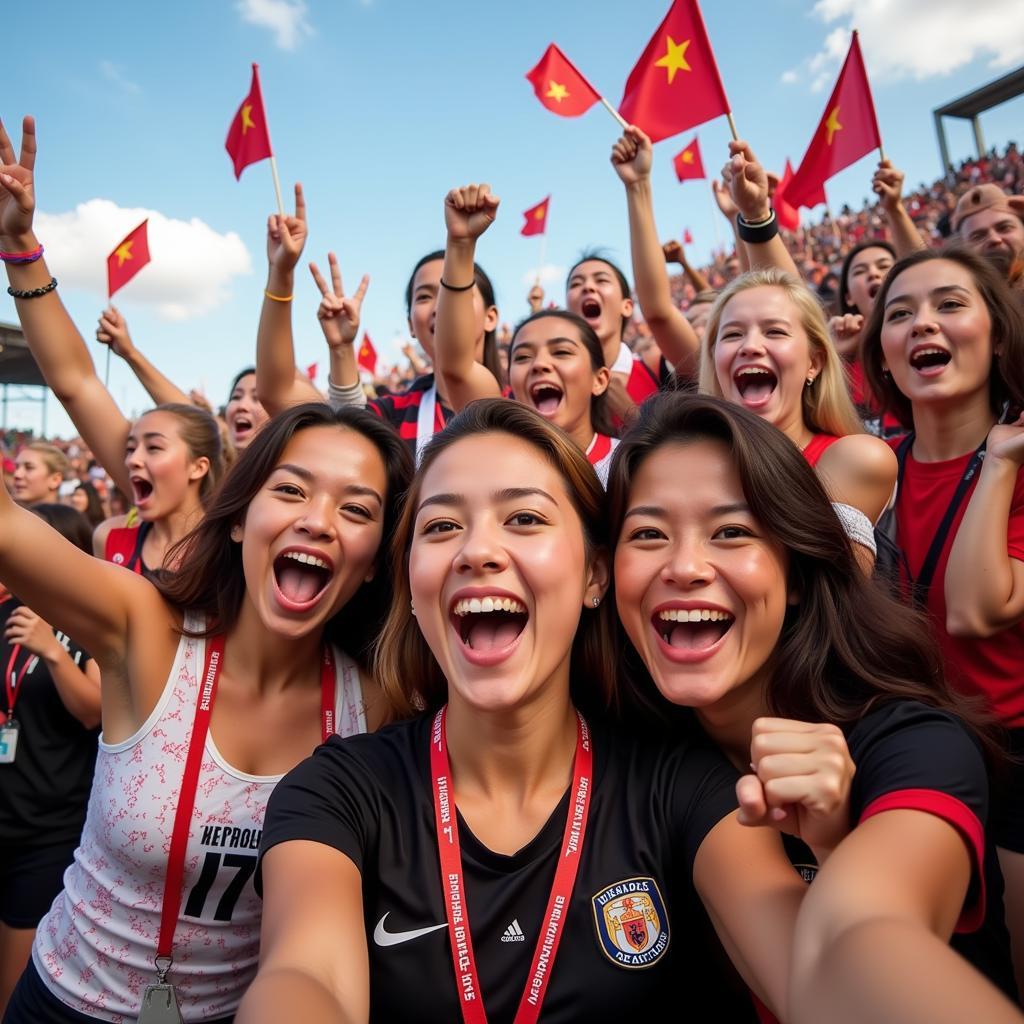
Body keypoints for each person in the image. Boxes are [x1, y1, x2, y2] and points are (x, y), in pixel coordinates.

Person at [243, 399, 822, 1023]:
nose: (477, 552)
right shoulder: (336, 791)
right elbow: (304, 975)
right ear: (410, 584)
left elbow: (818, 982)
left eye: (523, 518)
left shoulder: (683, 784)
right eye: (440, 528)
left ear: (596, 573)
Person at [609, 391, 1021, 1019]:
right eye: (647, 533)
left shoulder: (913, 741)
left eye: (731, 532)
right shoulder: (623, 753)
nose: (685, 565)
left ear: (797, 574)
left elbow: (865, 930)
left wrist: (834, 851)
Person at [0, 399, 412, 1023]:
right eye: (291, 490)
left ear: (378, 558)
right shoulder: (145, 628)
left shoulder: (379, 702)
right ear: (241, 517)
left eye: (356, 510)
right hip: (61, 1004)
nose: (318, 521)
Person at [861, 245, 1024, 998]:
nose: (923, 322)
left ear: (998, 336)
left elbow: (975, 607)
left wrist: (999, 463)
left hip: (1014, 763)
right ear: (883, 359)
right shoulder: (868, 468)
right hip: (907, 760)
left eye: (950, 304)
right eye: (899, 313)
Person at [0, 115, 224, 576]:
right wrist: (18, 242)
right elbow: (75, 384)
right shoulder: (113, 540)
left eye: (154, 447)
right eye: (131, 447)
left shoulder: (238, 540)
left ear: (200, 466)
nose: (131, 457)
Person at [250, 184, 502, 462]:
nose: (440, 307)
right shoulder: (392, 414)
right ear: (410, 325)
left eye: (453, 291)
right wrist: (280, 273)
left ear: (492, 317)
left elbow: (457, 369)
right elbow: (277, 394)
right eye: (424, 296)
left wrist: (461, 246)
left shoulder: (522, 402)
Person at [700, 268, 897, 569]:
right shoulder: (692, 466)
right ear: (714, 361)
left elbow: (822, 594)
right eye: (733, 334)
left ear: (814, 363)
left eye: (775, 331)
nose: (750, 346)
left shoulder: (858, 458)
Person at [432, 183, 618, 483]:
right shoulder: (502, 460)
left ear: (600, 379)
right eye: (522, 356)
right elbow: (455, 367)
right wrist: (460, 246)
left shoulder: (628, 465)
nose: (539, 364)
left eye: (561, 352)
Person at [0, 505, 100, 1015]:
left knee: (13, 986)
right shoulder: (9, 610)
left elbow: (93, 712)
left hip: (49, 828)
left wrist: (54, 652)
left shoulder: (90, 623)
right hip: (5, 807)